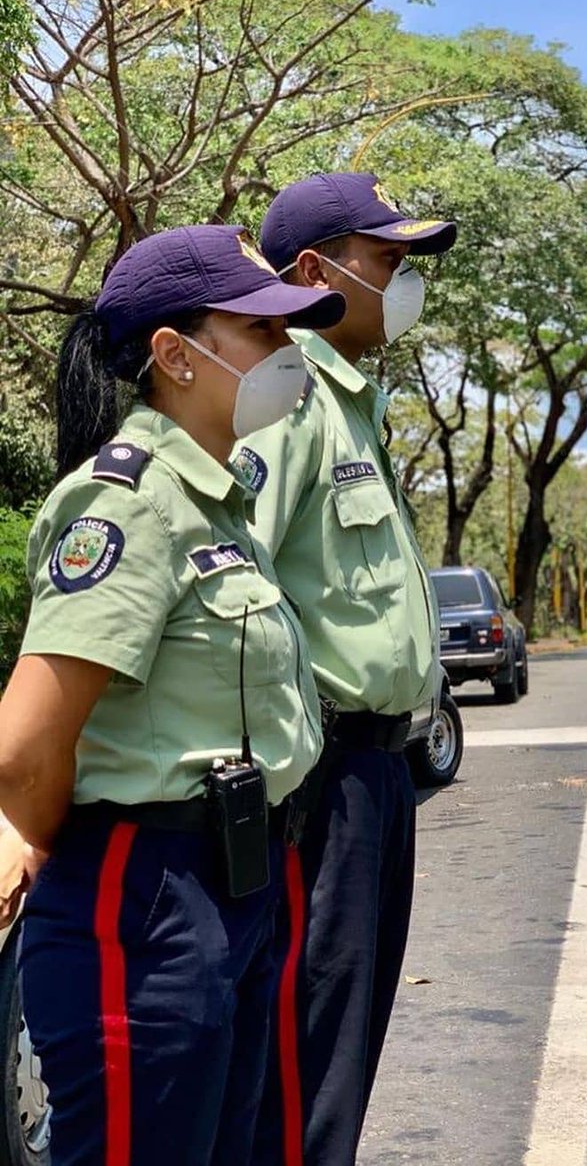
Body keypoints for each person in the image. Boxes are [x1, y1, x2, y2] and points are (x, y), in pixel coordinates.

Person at [0, 224, 346, 1165]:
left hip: (234, 888)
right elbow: (27, 743)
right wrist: (40, 838)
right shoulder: (128, 505)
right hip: (144, 902)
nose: (289, 353)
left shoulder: (219, 501)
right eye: (264, 332)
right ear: (174, 355)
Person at [238, 172, 457, 1165]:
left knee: (346, 1050)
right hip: (315, 777)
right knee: (305, 1063)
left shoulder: (351, 406)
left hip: (377, 774)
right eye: (388, 263)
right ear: (316, 271)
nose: (403, 284)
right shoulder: (286, 404)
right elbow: (234, 592)